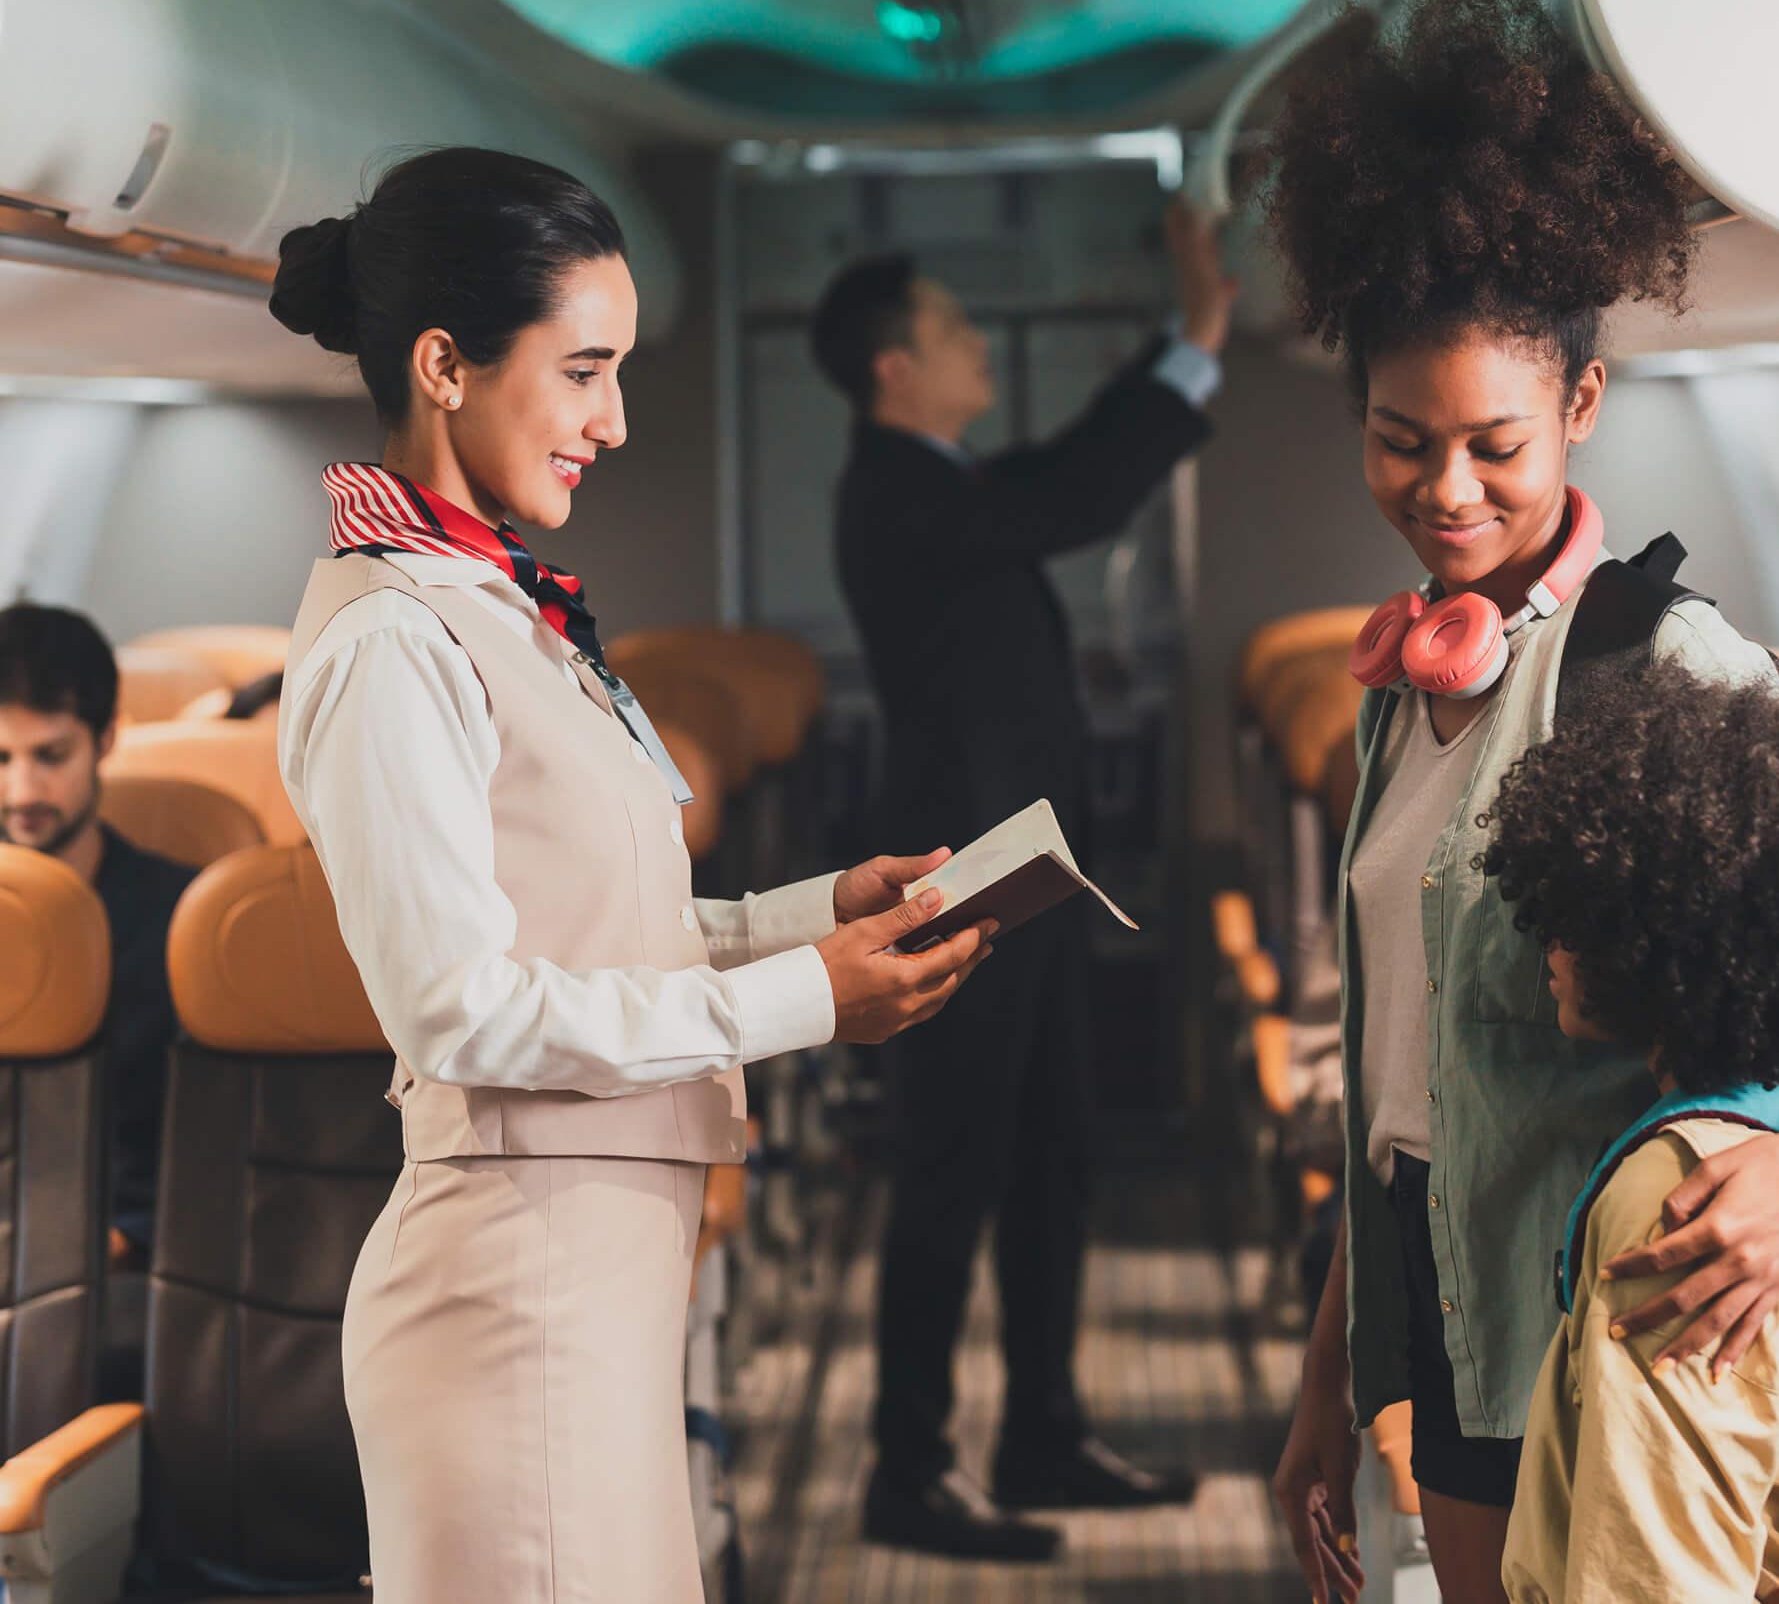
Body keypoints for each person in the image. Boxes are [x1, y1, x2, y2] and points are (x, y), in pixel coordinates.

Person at [267, 146, 993, 1604]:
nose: (613, 416)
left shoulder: (493, 600)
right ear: (445, 365)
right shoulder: (391, 637)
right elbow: (459, 1011)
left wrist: (813, 917)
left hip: (588, 1281)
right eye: (586, 367)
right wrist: (801, 998)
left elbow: (599, 924)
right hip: (508, 1303)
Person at [1263, 0, 1779, 1604]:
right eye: (1400, 442)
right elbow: (1396, 1078)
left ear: (1579, 404)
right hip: (1429, 1259)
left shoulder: (1657, 661)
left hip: (1598, 1290)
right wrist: (1324, 1396)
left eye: (1491, 442)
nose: (1445, 490)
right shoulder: (1394, 697)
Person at [811, 201, 1234, 1561]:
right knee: (952, 1166)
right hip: (956, 885)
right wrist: (1194, 332)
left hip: (1022, 875)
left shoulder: (930, 486)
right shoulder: (899, 483)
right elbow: (1072, 492)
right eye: (950, 327)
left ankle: (1041, 1429)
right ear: (893, 366)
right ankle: (906, 1465)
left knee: (1053, 1154)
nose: (975, 341)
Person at [1488, 660, 1779, 1601]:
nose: (1547, 941)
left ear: (1659, 935)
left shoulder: (1683, 1205)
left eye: (1577, 910)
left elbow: (1655, 1574)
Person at [0, 603, 192, 1265]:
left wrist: (115, 1239)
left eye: (50, 755)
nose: (21, 789)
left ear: (106, 738)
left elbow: (195, 1146)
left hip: (128, 1262)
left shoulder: (182, 920)